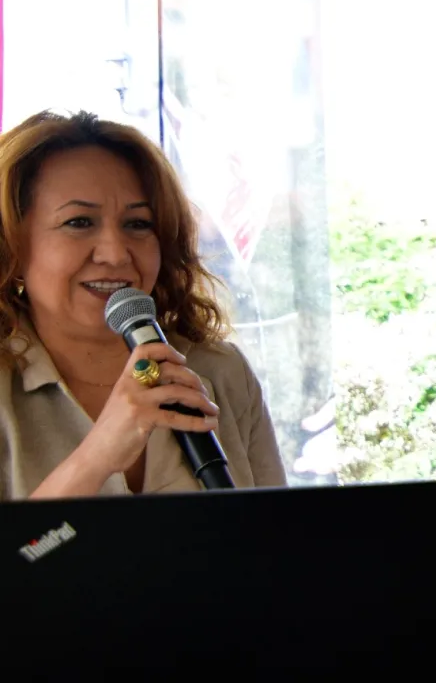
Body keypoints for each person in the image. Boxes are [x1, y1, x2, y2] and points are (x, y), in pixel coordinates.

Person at [0, 109, 286, 499]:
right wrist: (97, 456)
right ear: (12, 246)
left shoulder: (222, 371)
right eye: (79, 222)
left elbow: (275, 532)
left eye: (137, 224)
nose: (116, 254)